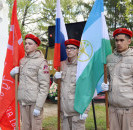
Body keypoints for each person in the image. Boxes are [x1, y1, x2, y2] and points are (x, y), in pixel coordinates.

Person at [10, 34, 50, 130]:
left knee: (35, 128)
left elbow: (44, 86)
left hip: (34, 103)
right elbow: (21, 79)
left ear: (36, 46)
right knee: (25, 128)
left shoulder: (41, 62)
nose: (27, 45)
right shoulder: (22, 61)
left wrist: (38, 106)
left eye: (30, 43)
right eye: (26, 43)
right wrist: (13, 74)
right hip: (23, 102)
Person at [54, 39, 90, 130]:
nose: (69, 50)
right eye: (67, 48)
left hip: (76, 112)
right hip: (64, 111)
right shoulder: (61, 65)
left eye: (72, 48)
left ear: (78, 50)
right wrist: (55, 77)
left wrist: (85, 111)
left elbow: (87, 90)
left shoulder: (82, 66)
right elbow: (57, 82)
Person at [102, 28, 133, 130]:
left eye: (122, 40)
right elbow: (107, 77)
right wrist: (105, 84)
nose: (118, 43)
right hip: (112, 108)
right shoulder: (109, 58)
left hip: (129, 109)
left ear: (129, 41)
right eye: (116, 40)